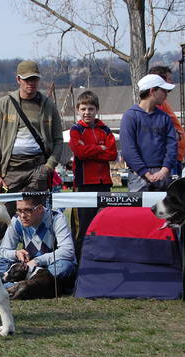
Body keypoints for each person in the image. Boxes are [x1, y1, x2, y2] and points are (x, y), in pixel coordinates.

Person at [0, 60, 64, 218]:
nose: (31, 83)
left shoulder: (49, 105)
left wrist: (49, 167)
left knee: (36, 216)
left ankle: (36, 244)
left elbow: (58, 140)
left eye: (35, 79)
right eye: (27, 79)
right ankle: (4, 243)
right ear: (18, 80)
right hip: (10, 169)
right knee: (4, 219)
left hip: (38, 167)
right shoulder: (4, 104)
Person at [68, 91, 117, 261]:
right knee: (84, 227)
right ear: (78, 110)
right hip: (84, 184)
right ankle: (81, 262)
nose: (87, 112)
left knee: (105, 224)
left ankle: (104, 259)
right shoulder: (76, 130)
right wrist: (100, 148)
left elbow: (112, 153)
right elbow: (80, 152)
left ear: (96, 110)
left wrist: (92, 149)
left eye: (90, 108)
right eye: (83, 109)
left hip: (104, 183)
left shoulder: (105, 129)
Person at [0, 193, 76, 294]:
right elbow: (3, 251)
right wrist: (16, 253)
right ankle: (26, 286)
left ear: (39, 209)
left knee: (65, 266)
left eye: (27, 210)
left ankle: (10, 286)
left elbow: (68, 251)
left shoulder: (56, 218)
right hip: (28, 270)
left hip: (50, 268)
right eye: (19, 210)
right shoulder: (16, 221)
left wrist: (38, 260)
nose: (22, 216)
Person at [119, 74, 178, 192]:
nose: (166, 94)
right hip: (138, 176)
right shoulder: (130, 116)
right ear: (152, 91)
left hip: (162, 175)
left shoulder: (165, 118)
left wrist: (164, 170)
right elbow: (128, 150)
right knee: (139, 210)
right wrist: (145, 173)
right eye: (164, 91)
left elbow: (172, 146)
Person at [148, 65, 185, 175]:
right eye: (169, 79)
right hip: (169, 158)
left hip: (175, 156)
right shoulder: (158, 104)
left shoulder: (163, 103)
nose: (171, 82)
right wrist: (174, 134)